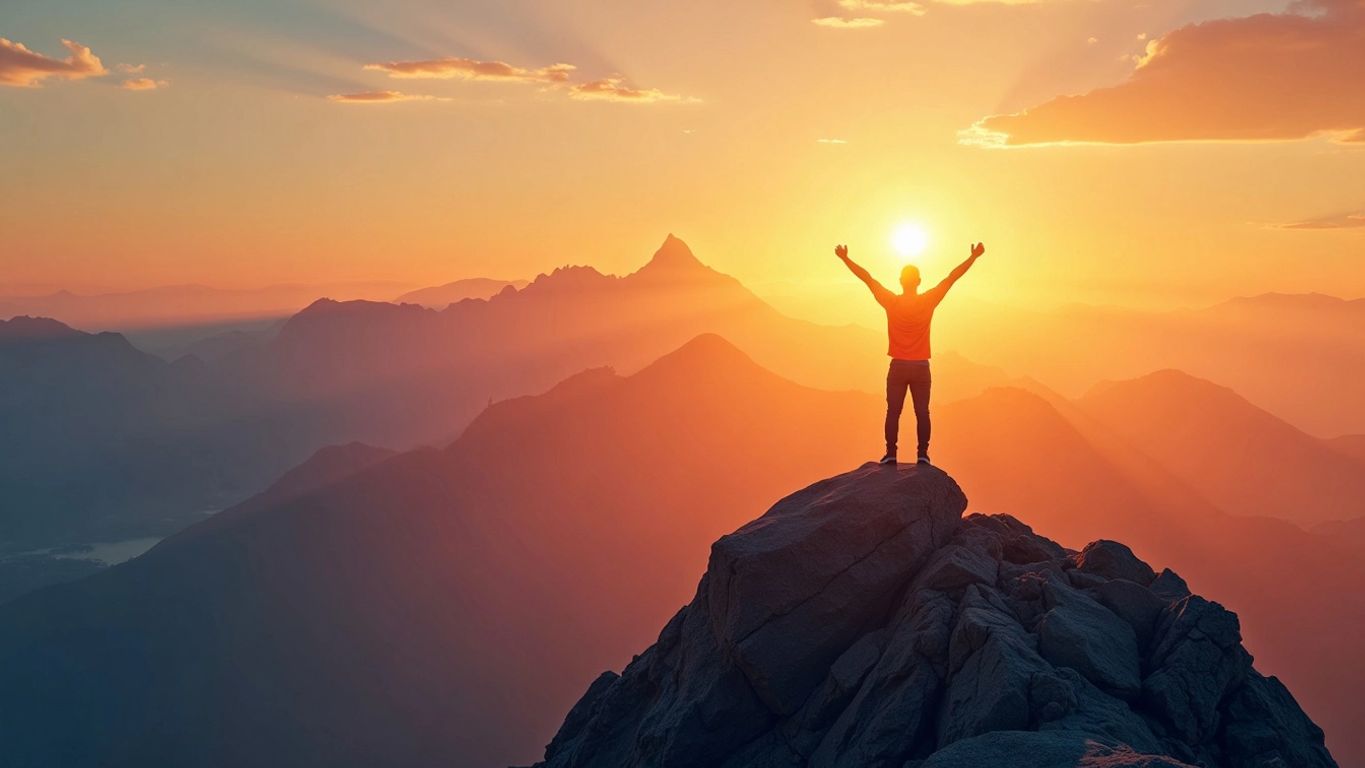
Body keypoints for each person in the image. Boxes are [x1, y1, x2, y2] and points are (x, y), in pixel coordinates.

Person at [835, 241, 985, 466]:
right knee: (922, 413)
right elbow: (951, 278)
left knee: (893, 412)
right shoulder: (928, 301)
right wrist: (973, 257)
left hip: (898, 366)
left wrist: (845, 259)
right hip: (921, 367)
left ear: (900, 282)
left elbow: (867, 279)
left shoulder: (891, 302)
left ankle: (890, 454)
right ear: (919, 282)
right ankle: (923, 455)